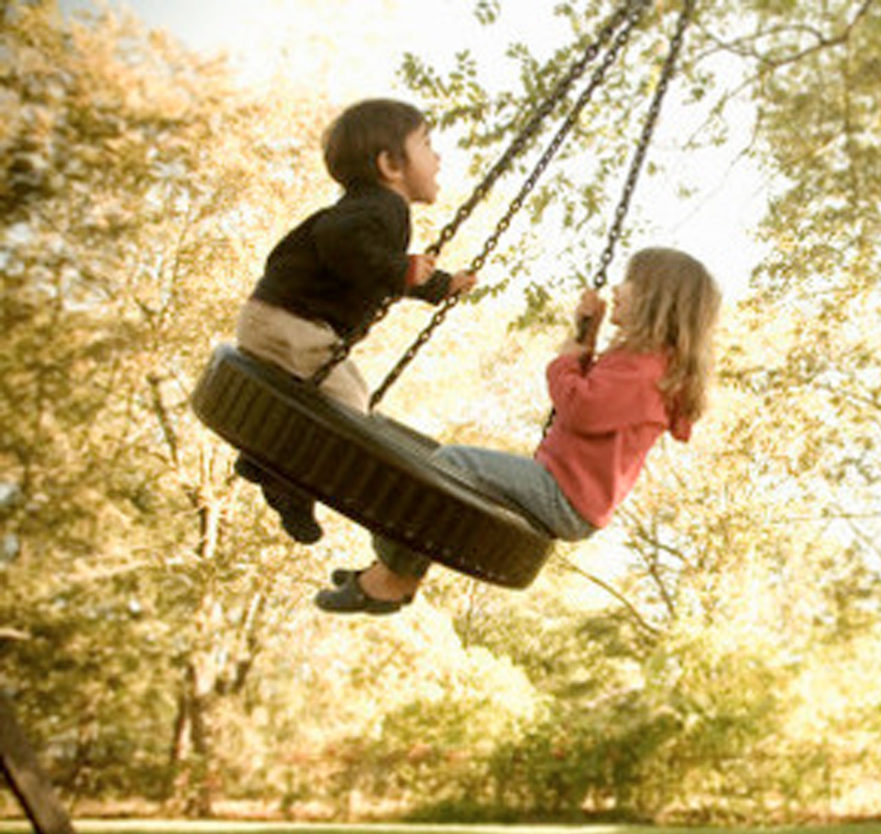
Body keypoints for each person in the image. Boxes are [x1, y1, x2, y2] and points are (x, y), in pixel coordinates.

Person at [315, 246, 720, 614]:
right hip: (568, 492)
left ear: (656, 301)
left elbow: (581, 409)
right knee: (446, 475)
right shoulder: (645, 364)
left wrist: (564, 360)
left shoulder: (645, 370)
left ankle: (390, 580)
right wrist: (588, 336)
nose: (616, 288)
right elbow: (597, 400)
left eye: (630, 282)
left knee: (450, 464)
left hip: (564, 495)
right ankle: (395, 573)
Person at [234, 98, 478, 545]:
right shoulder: (379, 208)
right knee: (348, 406)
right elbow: (343, 243)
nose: (438, 156)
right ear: (390, 165)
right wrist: (404, 270)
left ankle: (262, 455)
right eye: (427, 144)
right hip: (291, 321)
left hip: (278, 319)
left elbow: (376, 267)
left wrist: (440, 285)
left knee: (330, 396)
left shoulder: (372, 209)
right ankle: (286, 483)